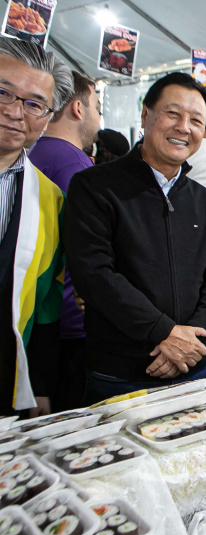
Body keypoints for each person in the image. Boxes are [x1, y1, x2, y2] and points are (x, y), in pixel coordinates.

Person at [65, 72, 206, 403]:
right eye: (173, 113)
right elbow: (94, 274)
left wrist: (191, 341)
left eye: (196, 120)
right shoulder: (95, 187)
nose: (184, 127)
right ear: (146, 115)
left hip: (194, 369)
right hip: (121, 374)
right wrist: (165, 333)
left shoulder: (204, 201)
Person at [0, 38, 73, 415]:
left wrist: (39, 386)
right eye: (4, 92)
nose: (16, 112)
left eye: (34, 104)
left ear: (47, 117)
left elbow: (46, 307)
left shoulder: (50, 199)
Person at [28, 70, 99, 412]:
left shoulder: (27, 156)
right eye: (97, 106)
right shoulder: (76, 166)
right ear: (77, 108)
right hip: (68, 325)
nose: (99, 117)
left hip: (28, 321)